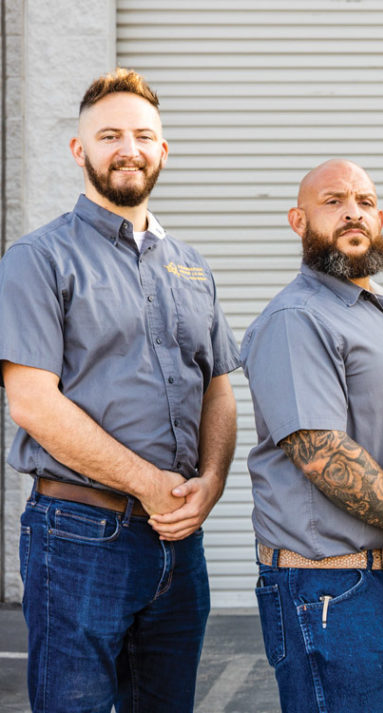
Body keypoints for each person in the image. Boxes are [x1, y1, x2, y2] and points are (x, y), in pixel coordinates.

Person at [0, 68, 239, 712]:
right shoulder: (37, 259)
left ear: (163, 150)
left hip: (177, 541)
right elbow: (32, 402)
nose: (127, 148)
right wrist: (147, 482)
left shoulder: (193, 264)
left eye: (142, 135)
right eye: (109, 135)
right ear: (80, 151)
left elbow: (217, 387)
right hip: (78, 533)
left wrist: (210, 484)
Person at [241, 159, 383, 713]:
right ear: (298, 220)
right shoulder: (298, 318)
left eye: (364, 201)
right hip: (329, 590)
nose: (352, 211)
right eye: (333, 201)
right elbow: (320, 451)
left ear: (379, 218)